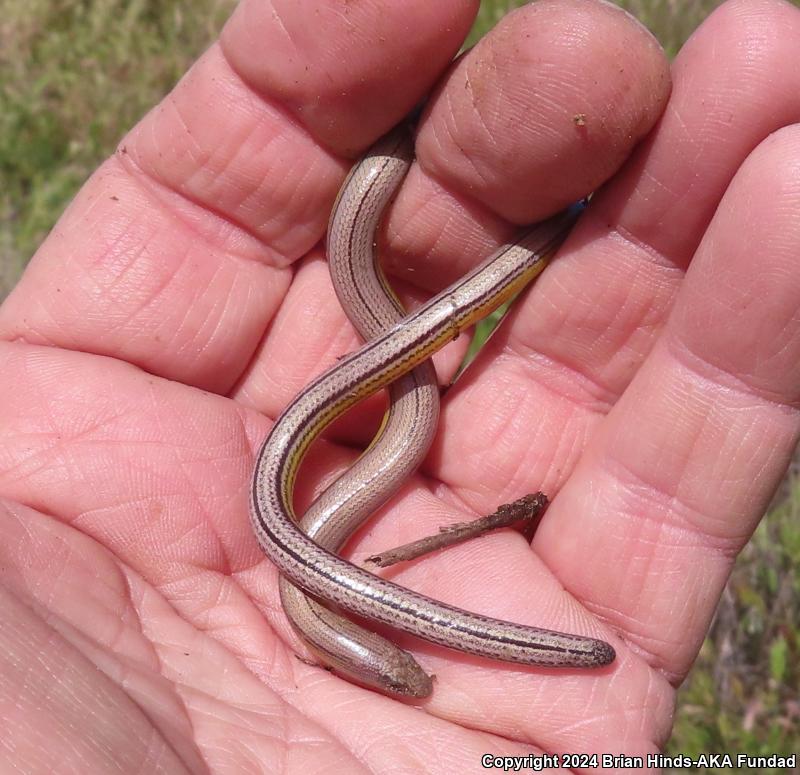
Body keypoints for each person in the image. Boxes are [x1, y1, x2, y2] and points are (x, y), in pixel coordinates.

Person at [0, 0, 798, 770]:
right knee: (403, 398)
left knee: (395, 398)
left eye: (394, 671)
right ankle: (531, 211)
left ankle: (482, 182)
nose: (409, 676)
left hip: (323, 508)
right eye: (396, 670)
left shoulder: (300, 581)